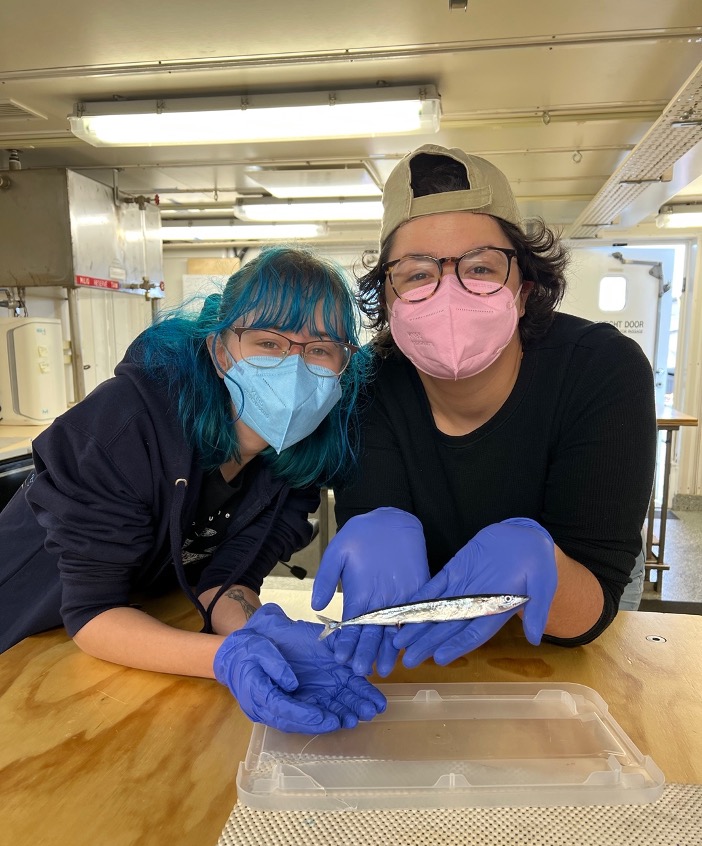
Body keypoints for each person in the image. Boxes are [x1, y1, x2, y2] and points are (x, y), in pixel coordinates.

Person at [0, 245, 386, 734]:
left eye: (319, 348)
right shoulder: (127, 423)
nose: (294, 364)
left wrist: (263, 634)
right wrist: (227, 656)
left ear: (343, 366)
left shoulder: (301, 459)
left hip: (110, 650)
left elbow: (226, 580)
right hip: (22, 636)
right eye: (269, 341)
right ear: (221, 350)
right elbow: (93, 607)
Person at [311, 143, 657, 677]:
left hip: (564, 646)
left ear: (523, 291)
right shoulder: (370, 387)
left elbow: (591, 609)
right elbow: (401, 609)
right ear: (388, 299)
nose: (450, 292)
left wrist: (542, 563)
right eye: (418, 273)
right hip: (433, 642)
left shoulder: (601, 370)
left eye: (480, 267)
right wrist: (374, 521)